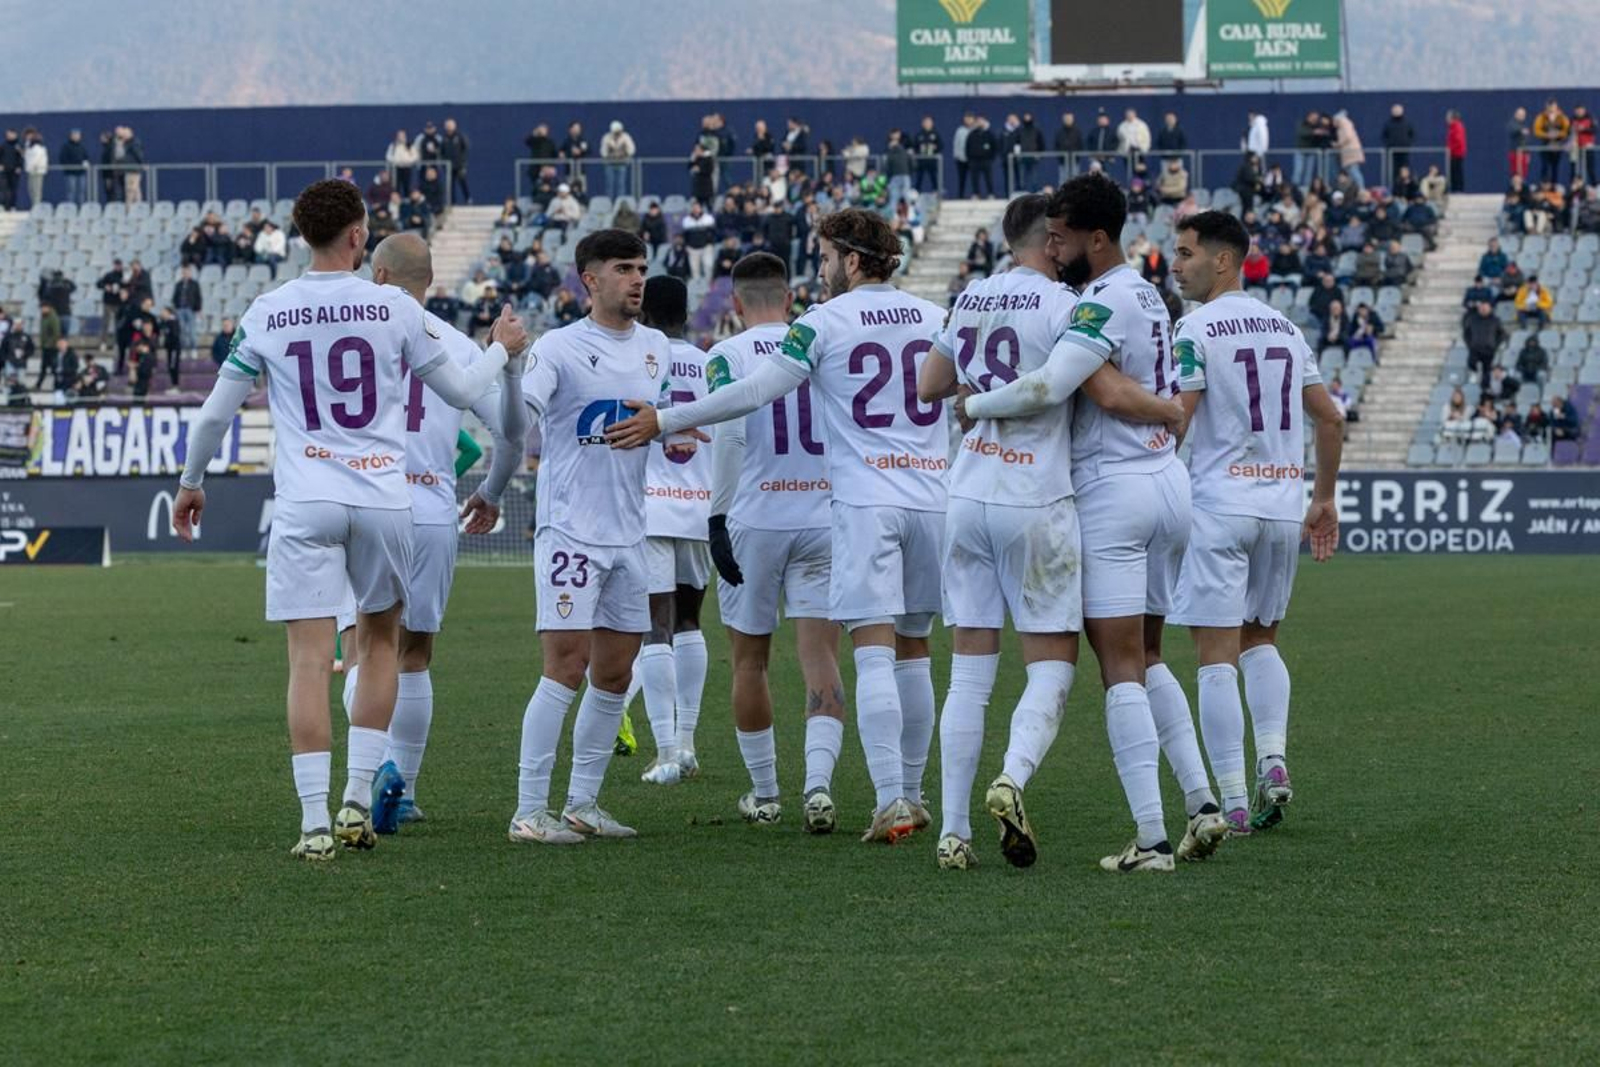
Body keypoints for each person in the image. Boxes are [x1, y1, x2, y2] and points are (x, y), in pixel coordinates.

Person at [167, 179, 519, 860]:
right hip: (385, 499)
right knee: (383, 644)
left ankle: (312, 823)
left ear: (305, 235)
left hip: (305, 499)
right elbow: (468, 392)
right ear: (358, 235)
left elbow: (215, 414)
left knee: (308, 658)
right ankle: (358, 798)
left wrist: (191, 482)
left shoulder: (270, 309)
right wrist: (502, 345)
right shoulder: (392, 306)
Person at [609, 208, 950, 845]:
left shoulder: (822, 323)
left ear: (850, 260)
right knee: (913, 648)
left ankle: (871, 799)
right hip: (930, 499)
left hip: (852, 505)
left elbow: (752, 395)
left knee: (861, 650)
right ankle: (913, 789)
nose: (819, 271)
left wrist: (667, 418)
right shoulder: (937, 318)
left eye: (824, 257)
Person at [940, 180, 1215, 873]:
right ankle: (1204, 802)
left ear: (1094, 238)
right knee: (1149, 655)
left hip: (1105, 491)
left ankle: (1151, 841)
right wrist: (1172, 415)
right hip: (1167, 485)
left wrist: (974, 409)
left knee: (1118, 665)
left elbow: (1072, 386)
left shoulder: (1090, 301)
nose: (1053, 246)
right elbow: (1125, 385)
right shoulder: (1149, 291)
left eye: (1062, 234)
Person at [471, 228, 694, 844]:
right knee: (564, 667)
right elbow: (514, 427)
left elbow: (655, 418)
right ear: (589, 280)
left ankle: (583, 804)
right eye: (623, 268)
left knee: (616, 675)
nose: (637, 278)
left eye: (642, 267)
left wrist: (672, 433)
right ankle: (527, 810)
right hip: (571, 532)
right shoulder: (560, 349)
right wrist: (513, 370)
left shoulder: (657, 348)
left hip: (630, 533)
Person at [332, 233, 526, 830]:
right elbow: (513, 436)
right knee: (414, 656)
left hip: (365, 500)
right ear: (433, 282)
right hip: (433, 507)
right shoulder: (462, 345)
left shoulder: (356, 330)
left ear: (381, 274)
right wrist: (491, 493)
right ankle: (406, 788)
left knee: (362, 647)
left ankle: (367, 778)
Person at [1167, 209, 1345, 835]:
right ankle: (1273, 758)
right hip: (1279, 507)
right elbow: (1330, 418)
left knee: (1215, 656)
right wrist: (1322, 498)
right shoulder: (1285, 328)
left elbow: (1178, 417)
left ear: (1223, 259)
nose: (1176, 264)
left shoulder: (1194, 328)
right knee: (1261, 641)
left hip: (1219, 506)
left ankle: (1235, 801)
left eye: (1186, 253)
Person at [697, 251, 846, 827]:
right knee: (822, 654)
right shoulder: (817, 341)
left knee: (749, 661)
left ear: (735, 304)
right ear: (788, 300)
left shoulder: (726, 353)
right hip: (821, 514)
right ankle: (817, 788)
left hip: (755, 518)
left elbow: (730, 437)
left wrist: (717, 517)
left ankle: (765, 795)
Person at [604, 276, 716, 787]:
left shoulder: (637, 357)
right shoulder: (709, 363)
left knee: (656, 628)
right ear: (687, 313)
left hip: (650, 508)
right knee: (691, 622)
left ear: (643, 311)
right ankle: (688, 744)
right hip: (700, 504)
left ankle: (667, 750)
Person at [1463, 301, 1506, 387]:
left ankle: (1485, 387)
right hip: (1475, 347)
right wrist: (1470, 344)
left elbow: (1502, 334)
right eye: (1481, 308)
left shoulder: (1495, 320)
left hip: (1489, 349)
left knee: (1487, 369)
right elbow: (1466, 333)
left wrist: (1495, 344)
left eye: (1485, 308)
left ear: (1490, 309)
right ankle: (1474, 374)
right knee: (1471, 362)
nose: (1483, 310)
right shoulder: (1472, 319)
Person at [1533, 99, 1570, 185]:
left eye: (1553, 106)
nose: (1551, 109)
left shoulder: (1562, 117)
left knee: (1555, 166)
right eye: (1549, 106)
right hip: (1545, 145)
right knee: (1545, 165)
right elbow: (1536, 131)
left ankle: (1554, 185)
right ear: (1546, 107)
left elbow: (1567, 130)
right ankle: (1544, 184)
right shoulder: (1541, 117)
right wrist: (1547, 135)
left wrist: (1558, 134)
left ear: (1556, 107)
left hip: (1557, 145)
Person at [600, 120, 636, 201]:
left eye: (618, 132)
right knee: (609, 185)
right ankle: (609, 203)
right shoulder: (606, 138)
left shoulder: (626, 137)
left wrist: (624, 152)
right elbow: (603, 152)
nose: (617, 134)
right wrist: (610, 153)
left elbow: (632, 150)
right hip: (610, 164)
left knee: (621, 185)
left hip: (622, 163)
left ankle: (620, 203)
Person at [681, 201, 716, 280]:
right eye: (694, 208)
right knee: (694, 270)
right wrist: (687, 246)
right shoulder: (686, 221)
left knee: (708, 267)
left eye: (697, 208)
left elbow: (713, 233)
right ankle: (697, 289)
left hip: (706, 247)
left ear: (701, 209)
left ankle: (708, 287)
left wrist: (710, 244)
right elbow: (685, 236)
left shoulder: (708, 219)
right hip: (692, 248)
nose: (696, 210)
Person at [173, 265, 202, 358]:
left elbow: (198, 297)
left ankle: (193, 349)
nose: (185, 274)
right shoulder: (178, 284)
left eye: (187, 272)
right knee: (182, 331)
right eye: (184, 272)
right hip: (180, 310)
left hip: (190, 309)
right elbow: (174, 297)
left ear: (190, 273)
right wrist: (176, 307)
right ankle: (183, 349)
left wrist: (198, 309)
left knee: (192, 331)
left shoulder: (194, 284)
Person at [1381, 105, 1415, 184]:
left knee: (1405, 169)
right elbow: (1384, 136)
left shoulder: (1407, 123)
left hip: (1404, 151)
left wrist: (1407, 143)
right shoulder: (1388, 124)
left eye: (1398, 110)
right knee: (1394, 170)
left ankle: (1406, 188)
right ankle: (1395, 189)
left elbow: (1412, 134)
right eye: (1395, 110)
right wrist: (1389, 144)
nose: (1396, 112)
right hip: (1392, 152)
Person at [966, 117, 998, 198]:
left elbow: (995, 147)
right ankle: (976, 194)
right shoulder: (972, 134)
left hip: (986, 160)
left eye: (982, 122)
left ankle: (991, 194)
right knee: (974, 179)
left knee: (989, 178)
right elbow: (967, 147)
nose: (980, 123)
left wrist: (991, 158)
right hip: (974, 160)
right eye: (978, 122)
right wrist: (970, 158)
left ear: (985, 122)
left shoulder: (989, 134)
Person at [440, 118, 470, 204]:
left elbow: (465, 149)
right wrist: (443, 164)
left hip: (459, 165)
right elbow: (441, 152)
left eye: (450, 125)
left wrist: (463, 163)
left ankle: (468, 198)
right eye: (447, 126)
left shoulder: (459, 136)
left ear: (454, 126)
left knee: (462, 182)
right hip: (449, 166)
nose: (449, 127)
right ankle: (452, 201)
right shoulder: (444, 138)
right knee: (450, 184)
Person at [1333, 111, 1365, 190]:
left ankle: (1361, 188)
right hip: (1348, 152)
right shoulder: (1343, 126)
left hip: (1351, 151)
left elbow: (1348, 136)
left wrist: (1339, 144)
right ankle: (1355, 189)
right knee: (1351, 172)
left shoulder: (1345, 124)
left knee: (1354, 171)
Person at [58, 128, 89, 206]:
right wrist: (70, 167)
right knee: (71, 191)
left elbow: (86, 157)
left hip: (81, 173)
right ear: (71, 136)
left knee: (81, 192)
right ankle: (71, 208)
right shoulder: (66, 146)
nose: (76, 137)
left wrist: (85, 163)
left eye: (78, 135)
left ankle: (81, 207)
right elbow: (63, 158)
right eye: (74, 135)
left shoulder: (82, 146)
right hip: (70, 173)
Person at [913, 116, 942, 193]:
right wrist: (918, 151)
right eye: (925, 122)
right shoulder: (919, 135)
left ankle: (936, 192)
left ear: (932, 124)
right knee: (919, 177)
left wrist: (935, 148)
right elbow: (915, 147)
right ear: (922, 124)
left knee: (934, 177)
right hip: (921, 160)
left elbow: (940, 145)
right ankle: (917, 192)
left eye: (929, 122)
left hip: (931, 160)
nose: (927, 124)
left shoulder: (935, 134)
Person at [23, 128, 48, 209]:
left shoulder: (38, 146)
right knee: (31, 189)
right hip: (30, 170)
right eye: (27, 135)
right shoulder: (28, 145)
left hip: (37, 170)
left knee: (36, 189)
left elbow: (37, 157)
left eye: (30, 135)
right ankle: (34, 205)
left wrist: (32, 165)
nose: (28, 137)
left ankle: (37, 207)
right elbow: (27, 157)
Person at [952, 113, 974, 198]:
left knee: (974, 178)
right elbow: (956, 143)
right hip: (961, 158)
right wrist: (956, 156)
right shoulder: (960, 130)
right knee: (962, 178)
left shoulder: (975, 130)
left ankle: (975, 195)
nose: (968, 121)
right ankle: (961, 195)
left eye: (970, 118)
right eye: (966, 119)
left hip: (972, 158)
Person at [1447, 110, 1468, 194]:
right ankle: (1455, 189)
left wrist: (1450, 149)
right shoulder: (1453, 127)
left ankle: (1458, 189)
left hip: (1456, 153)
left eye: (1448, 117)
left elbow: (1458, 141)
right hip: (1454, 152)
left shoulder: (1457, 126)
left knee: (1456, 171)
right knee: (1454, 171)